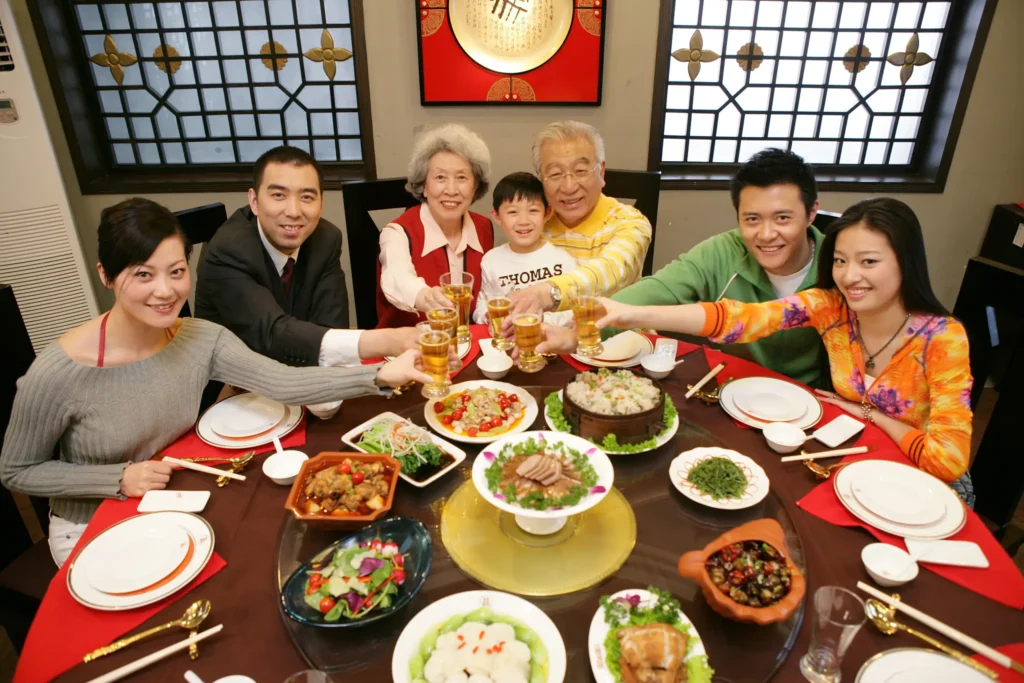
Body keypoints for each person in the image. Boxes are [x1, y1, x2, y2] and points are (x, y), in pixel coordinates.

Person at [0, 199, 432, 566]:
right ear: (106, 276)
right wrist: (117, 478)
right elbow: (17, 470)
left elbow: (281, 382)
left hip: (172, 495)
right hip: (92, 520)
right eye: (143, 275)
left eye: (175, 272)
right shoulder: (59, 372)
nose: (165, 291)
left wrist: (377, 373)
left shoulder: (199, 337)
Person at [539, 198, 975, 504]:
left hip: (922, 487)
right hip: (854, 458)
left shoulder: (942, 338)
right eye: (840, 260)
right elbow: (737, 319)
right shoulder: (831, 308)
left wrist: (870, 414)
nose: (850, 276)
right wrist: (624, 314)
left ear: (905, 259)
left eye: (869, 261)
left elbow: (948, 460)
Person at [609, 148, 829, 388]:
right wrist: (583, 326)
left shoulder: (841, 266)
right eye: (752, 219)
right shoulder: (723, 251)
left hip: (814, 400)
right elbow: (657, 290)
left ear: (811, 213)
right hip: (735, 390)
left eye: (782, 218)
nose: (766, 235)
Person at [195, 146, 417, 368]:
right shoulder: (229, 251)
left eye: (307, 197)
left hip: (303, 375)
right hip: (232, 383)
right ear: (254, 201)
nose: (293, 211)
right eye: (278, 195)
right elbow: (273, 334)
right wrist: (387, 341)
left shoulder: (325, 239)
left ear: (321, 203)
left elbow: (331, 326)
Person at [505, 120, 652, 318]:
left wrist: (548, 292)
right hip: (548, 342)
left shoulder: (630, 223)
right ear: (542, 180)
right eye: (555, 174)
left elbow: (611, 269)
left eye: (580, 171)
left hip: (618, 340)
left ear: (601, 171)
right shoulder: (535, 224)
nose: (569, 186)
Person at [377, 123, 494, 327]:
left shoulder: (484, 227)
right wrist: (426, 296)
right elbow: (397, 278)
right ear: (424, 185)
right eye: (440, 177)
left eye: (461, 178)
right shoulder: (396, 233)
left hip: (467, 347)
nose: (451, 189)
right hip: (409, 348)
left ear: (475, 186)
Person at [472, 172, 576, 327]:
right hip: (507, 341)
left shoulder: (562, 260)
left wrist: (537, 320)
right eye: (513, 212)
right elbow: (481, 304)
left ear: (547, 213)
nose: (523, 221)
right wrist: (486, 316)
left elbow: (573, 311)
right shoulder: (491, 260)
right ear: (497, 217)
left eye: (533, 210)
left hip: (551, 342)